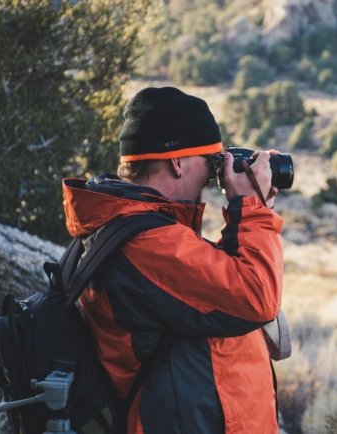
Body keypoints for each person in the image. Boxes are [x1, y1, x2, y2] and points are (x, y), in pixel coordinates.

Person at [61, 86, 284, 433]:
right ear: (177, 162)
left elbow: (214, 285)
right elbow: (255, 297)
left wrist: (250, 209)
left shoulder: (143, 228)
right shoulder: (146, 242)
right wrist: (251, 208)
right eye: (211, 162)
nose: (216, 176)